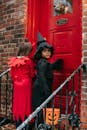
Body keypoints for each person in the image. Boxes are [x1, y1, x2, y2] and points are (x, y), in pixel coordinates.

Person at [32, 32, 64, 127]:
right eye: (45, 51)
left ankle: (41, 125)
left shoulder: (44, 62)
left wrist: (55, 64)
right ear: (40, 52)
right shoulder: (43, 62)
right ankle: (40, 126)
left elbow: (48, 68)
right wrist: (46, 90)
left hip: (42, 87)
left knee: (43, 108)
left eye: (49, 51)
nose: (47, 53)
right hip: (41, 88)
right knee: (41, 108)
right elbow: (41, 75)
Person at [8, 42, 35, 129]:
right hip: (26, 84)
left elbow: (12, 74)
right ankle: (25, 124)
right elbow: (32, 74)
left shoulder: (13, 61)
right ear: (27, 51)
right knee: (26, 104)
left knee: (18, 103)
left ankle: (18, 123)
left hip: (17, 84)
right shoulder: (28, 61)